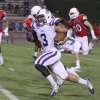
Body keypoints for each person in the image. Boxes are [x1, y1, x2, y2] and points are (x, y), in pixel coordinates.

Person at [31, 8, 95, 96]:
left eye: (42, 17)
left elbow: (57, 20)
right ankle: (86, 82)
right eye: (39, 18)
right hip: (46, 53)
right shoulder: (35, 25)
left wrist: (60, 20)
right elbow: (33, 33)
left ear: (48, 17)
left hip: (53, 53)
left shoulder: (51, 22)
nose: (40, 20)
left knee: (38, 63)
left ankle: (54, 85)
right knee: (64, 76)